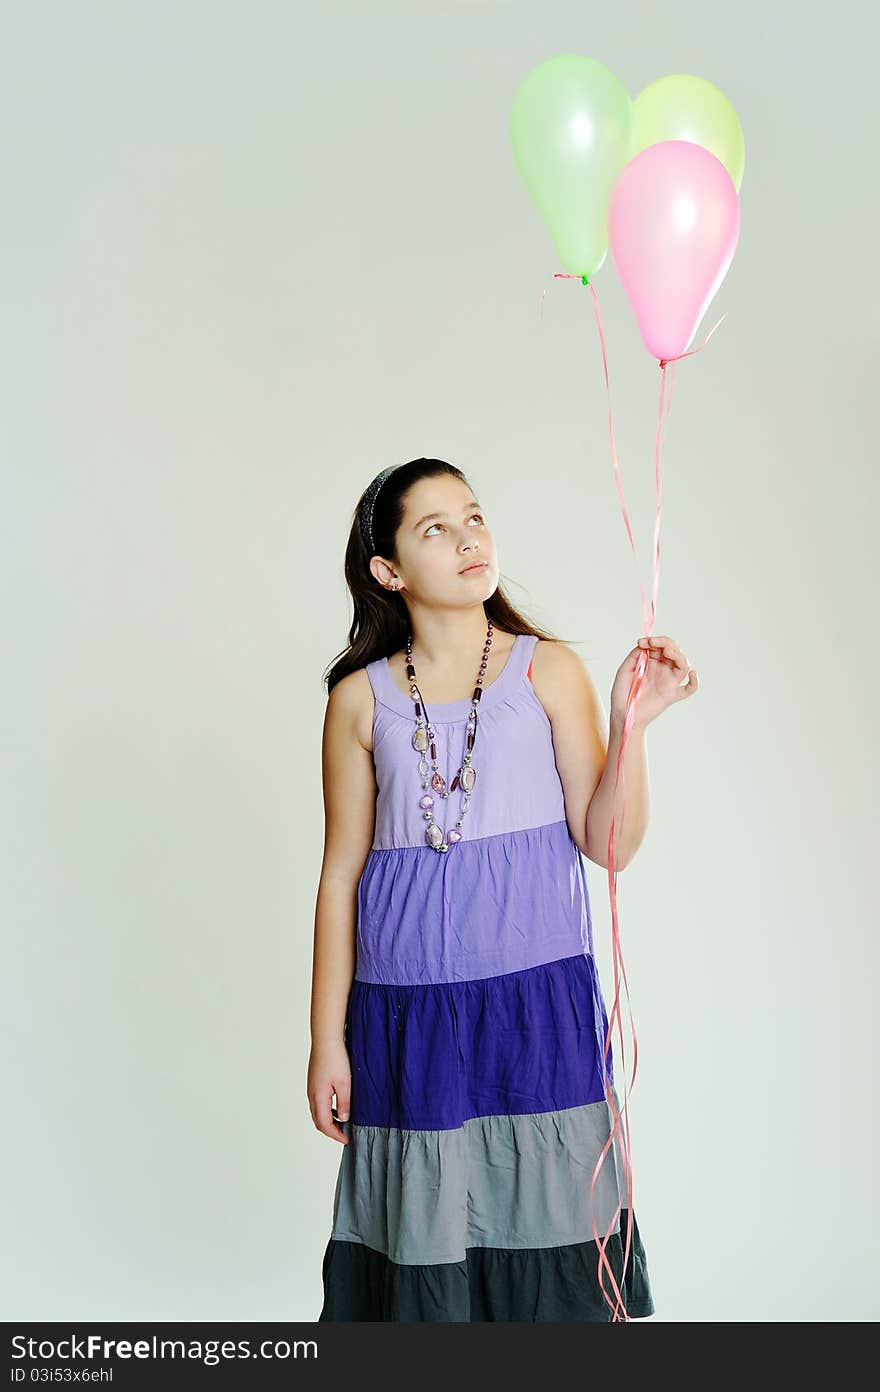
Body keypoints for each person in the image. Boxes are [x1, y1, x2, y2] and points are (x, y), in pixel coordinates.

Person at [308, 456, 699, 1322]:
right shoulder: (358, 702)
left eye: (474, 517)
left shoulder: (546, 672)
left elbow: (609, 843)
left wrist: (633, 722)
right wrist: (326, 1043)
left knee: (551, 1241)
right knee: (423, 1245)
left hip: (534, 1003)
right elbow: (340, 876)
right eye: (435, 529)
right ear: (389, 570)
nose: (467, 539)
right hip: (406, 1014)